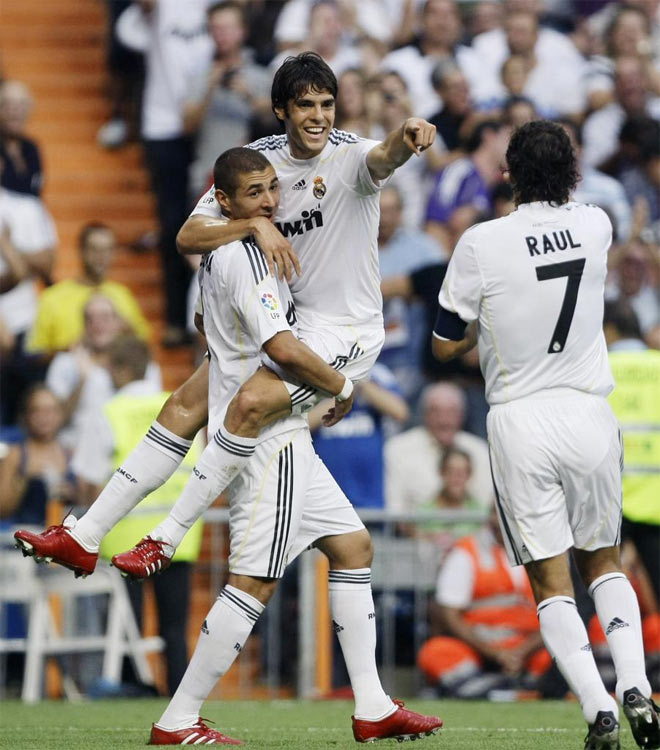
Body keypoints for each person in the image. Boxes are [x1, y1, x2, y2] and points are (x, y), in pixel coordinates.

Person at [21, 149, 441, 744]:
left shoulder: (219, 251)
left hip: (253, 422)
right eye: (255, 193)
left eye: (272, 189)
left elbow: (201, 321)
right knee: (252, 583)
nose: (270, 201)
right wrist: (345, 386)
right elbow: (283, 349)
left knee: (353, 546)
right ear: (224, 200)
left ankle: (372, 704)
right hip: (270, 443)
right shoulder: (246, 258)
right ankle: (178, 715)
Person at [13, 53, 437, 583]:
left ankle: (166, 537)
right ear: (281, 110)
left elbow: (385, 154)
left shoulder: (350, 155)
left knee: (249, 407)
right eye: (306, 105)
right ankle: (86, 535)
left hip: (344, 332)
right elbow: (188, 236)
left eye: (327, 105)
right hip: (288, 323)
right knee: (186, 404)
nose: (319, 117)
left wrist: (407, 135)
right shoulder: (258, 164)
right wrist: (253, 227)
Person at [431, 119, 658, 749]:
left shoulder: (480, 242)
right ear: (573, 174)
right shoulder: (596, 225)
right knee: (605, 562)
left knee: (551, 583)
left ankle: (597, 707)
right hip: (589, 411)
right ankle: (636, 683)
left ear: (508, 173)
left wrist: (486, 329)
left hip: (521, 417)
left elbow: (445, 343)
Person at [70, 334, 201, 696]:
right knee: (174, 629)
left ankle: (131, 690)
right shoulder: (181, 405)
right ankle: (179, 697)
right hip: (177, 536)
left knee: (127, 629)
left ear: (119, 369)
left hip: (124, 538)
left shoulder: (109, 412)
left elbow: (89, 480)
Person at [418, 509, 551, 698]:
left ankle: (499, 690)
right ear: (491, 518)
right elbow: (449, 614)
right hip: (478, 646)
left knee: (559, 650)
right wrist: (495, 653)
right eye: (498, 514)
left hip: (528, 647)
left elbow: (556, 611)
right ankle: (511, 691)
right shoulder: (466, 551)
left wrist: (521, 652)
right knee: (436, 652)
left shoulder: (542, 550)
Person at [26, 223, 150, 356]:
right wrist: (71, 351)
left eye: (107, 249)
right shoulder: (53, 297)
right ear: (81, 250)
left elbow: (142, 342)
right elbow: (36, 353)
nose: (101, 256)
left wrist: (126, 332)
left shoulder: (122, 294)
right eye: (94, 249)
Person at [384, 382, 492, 518]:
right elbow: (394, 511)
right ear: (424, 414)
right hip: (417, 531)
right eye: (436, 412)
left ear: (463, 415)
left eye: (452, 412)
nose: (444, 420)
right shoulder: (398, 449)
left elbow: (487, 507)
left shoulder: (480, 450)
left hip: (473, 530)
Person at [0, 385, 74, 525]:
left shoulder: (70, 453)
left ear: (61, 415)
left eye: (50, 411)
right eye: (36, 411)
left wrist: (72, 494)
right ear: (26, 416)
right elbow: (2, 510)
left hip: (61, 532)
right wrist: (23, 480)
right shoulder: (16, 455)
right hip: (24, 533)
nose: (44, 417)